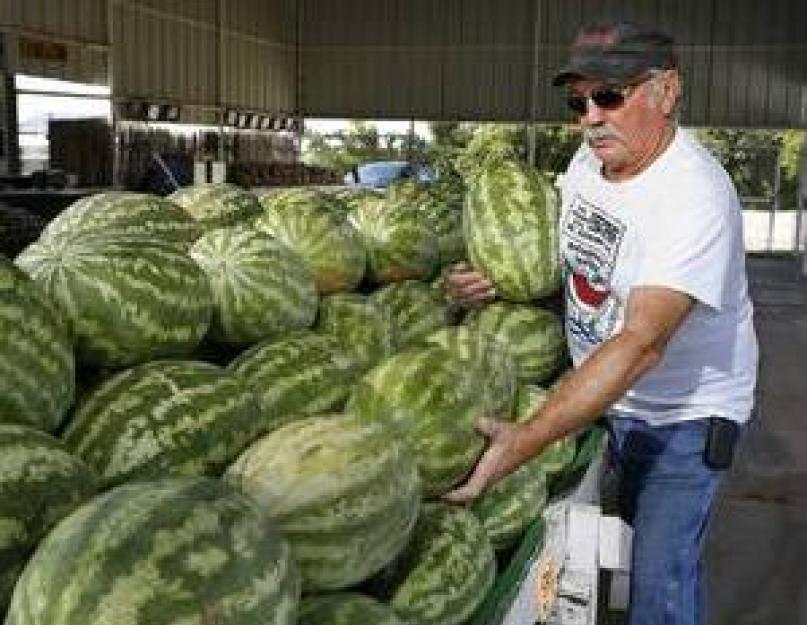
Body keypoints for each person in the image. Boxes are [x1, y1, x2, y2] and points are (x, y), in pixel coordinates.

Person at [445, 19, 758, 625]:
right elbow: (573, 270)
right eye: (578, 101)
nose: (590, 116)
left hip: (685, 421)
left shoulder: (692, 194)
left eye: (610, 96)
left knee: (657, 589)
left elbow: (642, 342)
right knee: (626, 562)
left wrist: (526, 438)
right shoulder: (589, 166)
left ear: (667, 92)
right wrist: (479, 283)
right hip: (612, 403)